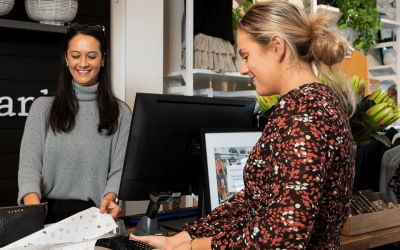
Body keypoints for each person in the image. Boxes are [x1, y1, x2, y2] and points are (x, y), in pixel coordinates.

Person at [130, 1, 356, 249]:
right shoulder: (313, 104)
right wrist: (182, 238)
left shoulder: (303, 117)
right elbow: (254, 200)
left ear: (277, 48)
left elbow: (283, 236)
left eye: (246, 56)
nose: (243, 69)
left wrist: (196, 248)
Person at [17, 23, 132, 223]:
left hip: (94, 218)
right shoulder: (42, 107)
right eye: (76, 55)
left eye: (92, 56)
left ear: (103, 59)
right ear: (66, 58)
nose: (83, 63)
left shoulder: (121, 113)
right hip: (43, 214)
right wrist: (34, 214)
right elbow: (29, 167)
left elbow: (119, 171)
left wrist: (109, 199)